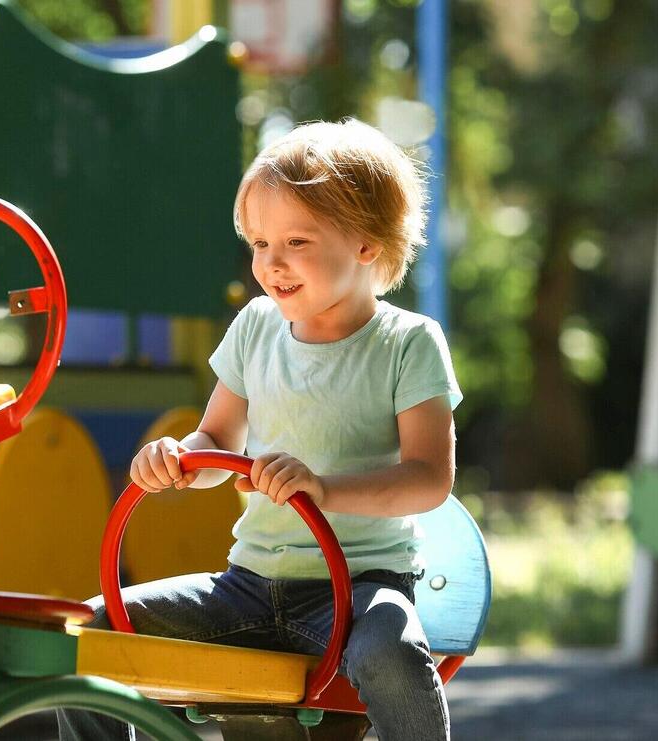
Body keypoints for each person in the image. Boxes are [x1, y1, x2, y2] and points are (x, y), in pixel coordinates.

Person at [58, 118, 461, 741]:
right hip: (248, 585)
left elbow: (429, 479)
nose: (271, 263)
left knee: (390, 653)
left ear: (367, 244)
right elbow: (216, 441)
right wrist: (177, 459)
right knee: (90, 635)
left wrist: (323, 489)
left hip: (354, 589)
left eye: (296, 241)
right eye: (258, 243)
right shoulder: (254, 326)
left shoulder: (407, 343)